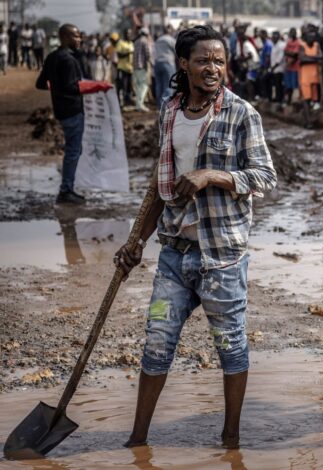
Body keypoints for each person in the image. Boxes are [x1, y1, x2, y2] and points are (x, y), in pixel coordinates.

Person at [114, 24, 277, 450]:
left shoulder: (242, 114)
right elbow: (160, 184)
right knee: (156, 344)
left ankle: (231, 439)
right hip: (175, 253)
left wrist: (213, 175)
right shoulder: (170, 112)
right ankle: (137, 440)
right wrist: (136, 241)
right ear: (183, 64)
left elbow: (265, 176)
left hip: (222, 255)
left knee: (230, 347)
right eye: (203, 60)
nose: (212, 68)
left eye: (219, 61)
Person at [35, 24, 112, 205]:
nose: (79, 39)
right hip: (72, 111)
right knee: (73, 151)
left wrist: (57, 87)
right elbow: (72, 87)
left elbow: (40, 83)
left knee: (74, 149)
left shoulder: (52, 57)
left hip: (60, 110)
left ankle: (68, 186)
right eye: (76, 36)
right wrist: (97, 86)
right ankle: (66, 190)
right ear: (65, 37)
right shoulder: (69, 60)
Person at [299, 29, 322, 128]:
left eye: (313, 37)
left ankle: (309, 119)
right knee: (306, 99)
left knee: (314, 100)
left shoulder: (317, 45)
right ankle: (308, 121)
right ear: (306, 38)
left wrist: (309, 58)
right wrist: (315, 58)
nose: (312, 39)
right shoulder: (302, 46)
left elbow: (321, 56)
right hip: (305, 77)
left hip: (314, 76)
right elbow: (302, 58)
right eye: (310, 37)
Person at [153, 25, 177, 109]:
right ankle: (165, 105)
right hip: (168, 63)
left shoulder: (158, 40)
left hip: (157, 64)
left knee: (159, 85)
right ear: (169, 31)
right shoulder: (171, 40)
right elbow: (177, 50)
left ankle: (159, 105)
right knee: (169, 85)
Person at [133, 27, 152, 112]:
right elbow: (147, 54)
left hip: (135, 67)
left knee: (138, 87)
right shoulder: (144, 41)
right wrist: (151, 63)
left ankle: (138, 104)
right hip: (142, 66)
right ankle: (140, 104)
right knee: (144, 86)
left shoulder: (136, 41)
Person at [116, 29, 135, 107]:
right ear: (124, 34)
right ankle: (121, 103)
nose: (129, 35)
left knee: (129, 87)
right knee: (122, 86)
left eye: (130, 33)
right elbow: (119, 55)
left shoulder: (131, 43)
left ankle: (127, 102)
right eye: (127, 33)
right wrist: (128, 53)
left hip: (130, 69)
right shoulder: (120, 43)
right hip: (122, 68)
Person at [283, 28, 301, 106]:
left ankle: (296, 101)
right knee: (288, 85)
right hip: (289, 67)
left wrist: (289, 54)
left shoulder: (298, 42)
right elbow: (285, 51)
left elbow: (295, 55)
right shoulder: (289, 42)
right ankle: (289, 101)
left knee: (295, 85)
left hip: (295, 67)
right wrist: (290, 54)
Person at [269, 30, 286, 104]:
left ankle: (280, 99)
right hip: (274, 68)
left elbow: (280, 58)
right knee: (276, 84)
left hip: (279, 68)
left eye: (274, 37)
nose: (273, 38)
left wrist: (273, 67)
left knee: (279, 85)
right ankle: (277, 98)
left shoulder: (281, 45)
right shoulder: (274, 45)